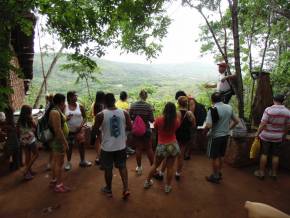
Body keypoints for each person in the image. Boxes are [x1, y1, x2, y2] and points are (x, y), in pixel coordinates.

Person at [93, 93, 132, 199]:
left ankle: (109, 189)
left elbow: (95, 130)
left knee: (108, 168)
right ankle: (126, 189)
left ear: (104, 102)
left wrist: (97, 137)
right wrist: (122, 132)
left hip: (107, 147)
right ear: (115, 100)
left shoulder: (100, 115)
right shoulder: (124, 113)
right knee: (122, 166)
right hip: (121, 145)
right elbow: (130, 127)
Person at [144, 102, 180, 193]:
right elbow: (176, 130)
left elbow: (155, 130)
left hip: (161, 145)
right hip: (173, 145)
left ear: (165, 109)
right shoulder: (177, 121)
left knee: (155, 165)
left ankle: (147, 182)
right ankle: (167, 187)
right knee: (170, 167)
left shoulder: (159, 119)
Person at [204, 92, 239, 184]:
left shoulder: (212, 110)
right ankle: (218, 173)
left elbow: (209, 125)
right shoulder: (229, 107)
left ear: (212, 100)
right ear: (222, 99)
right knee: (221, 156)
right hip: (225, 136)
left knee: (214, 157)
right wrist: (228, 128)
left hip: (215, 136)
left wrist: (205, 129)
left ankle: (215, 176)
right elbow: (236, 121)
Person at [254, 94, 290, 180]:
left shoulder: (269, 110)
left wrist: (257, 133)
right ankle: (274, 173)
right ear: (283, 101)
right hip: (278, 137)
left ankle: (261, 173)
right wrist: (283, 136)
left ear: (273, 100)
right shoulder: (288, 112)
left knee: (264, 154)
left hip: (266, 136)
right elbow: (288, 127)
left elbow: (263, 124)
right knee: (275, 155)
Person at [64, 91, 92, 171]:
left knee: (82, 145)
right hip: (68, 130)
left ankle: (82, 161)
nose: (76, 97)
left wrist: (81, 126)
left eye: (76, 96)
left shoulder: (80, 106)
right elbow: (62, 117)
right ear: (69, 97)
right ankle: (68, 162)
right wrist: (66, 119)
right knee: (69, 147)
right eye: (74, 96)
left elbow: (85, 117)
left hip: (79, 130)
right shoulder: (65, 106)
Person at [129, 90, 154, 175]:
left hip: (137, 131)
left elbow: (130, 117)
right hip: (146, 130)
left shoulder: (133, 105)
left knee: (138, 148)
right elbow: (152, 119)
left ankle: (139, 168)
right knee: (149, 148)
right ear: (146, 96)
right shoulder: (148, 106)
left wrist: (137, 119)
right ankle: (153, 168)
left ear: (139, 95)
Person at [49, 93, 70, 192]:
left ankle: (54, 180)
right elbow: (58, 130)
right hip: (59, 141)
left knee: (55, 161)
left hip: (58, 140)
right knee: (59, 163)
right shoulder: (55, 112)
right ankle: (59, 185)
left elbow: (62, 121)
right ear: (61, 101)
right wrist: (65, 142)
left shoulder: (57, 110)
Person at [175, 96, 195, 180]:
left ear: (178, 103)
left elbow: (175, 125)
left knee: (171, 154)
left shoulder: (176, 113)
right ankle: (178, 173)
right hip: (186, 135)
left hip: (176, 135)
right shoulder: (190, 113)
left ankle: (165, 171)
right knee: (181, 155)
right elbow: (194, 125)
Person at [17, 105, 39, 180]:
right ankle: (26, 170)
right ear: (28, 112)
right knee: (36, 154)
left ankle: (29, 171)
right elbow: (35, 126)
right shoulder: (30, 119)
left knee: (27, 156)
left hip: (23, 140)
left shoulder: (19, 120)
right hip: (30, 139)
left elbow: (18, 130)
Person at [116, 91, 135, 156]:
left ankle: (125, 149)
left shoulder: (117, 103)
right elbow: (128, 116)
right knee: (128, 136)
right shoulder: (126, 104)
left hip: (117, 123)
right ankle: (126, 150)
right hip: (124, 124)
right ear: (125, 97)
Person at [91, 91, 105, 165]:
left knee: (97, 140)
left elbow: (93, 114)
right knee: (102, 140)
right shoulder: (102, 105)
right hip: (101, 125)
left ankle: (98, 156)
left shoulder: (94, 104)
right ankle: (100, 157)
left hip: (95, 124)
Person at [44, 93, 54, 171]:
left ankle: (50, 163)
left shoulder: (48, 106)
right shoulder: (52, 107)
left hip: (48, 128)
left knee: (52, 147)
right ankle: (50, 163)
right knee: (54, 148)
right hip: (53, 129)